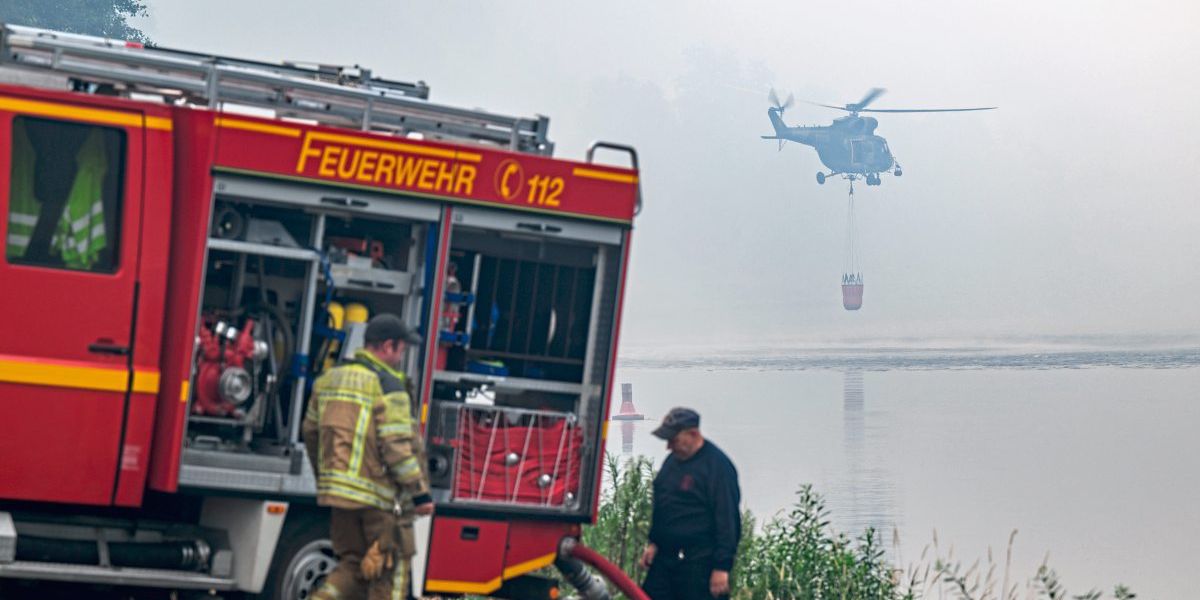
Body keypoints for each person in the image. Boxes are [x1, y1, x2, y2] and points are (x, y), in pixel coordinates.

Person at [303, 313, 433, 600]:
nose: (401, 358)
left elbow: (310, 433)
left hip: (339, 498)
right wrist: (420, 494)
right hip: (380, 501)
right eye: (401, 350)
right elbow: (397, 447)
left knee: (353, 567)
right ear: (388, 346)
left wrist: (327, 479)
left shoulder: (328, 380)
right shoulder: (388, 385)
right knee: (390, 571)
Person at [640, 407, 741, 600]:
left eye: (674, 440)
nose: (668, 446)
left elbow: (728, 520)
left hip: (699, 565)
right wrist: (654, 542)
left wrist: (722, 567)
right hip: (665, 560)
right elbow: (663, 505)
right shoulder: (671, 463)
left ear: (693, 434)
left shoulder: (718, 467)